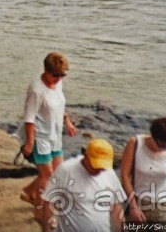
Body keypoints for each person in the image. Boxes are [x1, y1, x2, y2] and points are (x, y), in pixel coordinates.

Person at [19, 52, 77, 208]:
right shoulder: (36, 90)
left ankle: (29, 190)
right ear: (46, 70)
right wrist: (30, 143)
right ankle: (39, 207)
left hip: (54, 134)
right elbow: (29, 118)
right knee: (48, 175)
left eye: (62, 75)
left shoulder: (58, 83)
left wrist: (67, 122)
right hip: (40, 137)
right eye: (55, 75)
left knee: (58, 172)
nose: (59, 78)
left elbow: (59, 105)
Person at [41, 138, 126, 232]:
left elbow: (116, 207)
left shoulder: (110, 173)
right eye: (95, 165)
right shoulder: (66, 170)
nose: (99, 170)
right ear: (86, 156)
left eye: (102, 167)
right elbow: (49, 203)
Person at [121, 117, 166, 223]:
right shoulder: (135, 143)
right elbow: (125, 176)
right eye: (163, 145)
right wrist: (133, 207)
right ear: (153, 137)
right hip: (139, 201)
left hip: (165, 204)